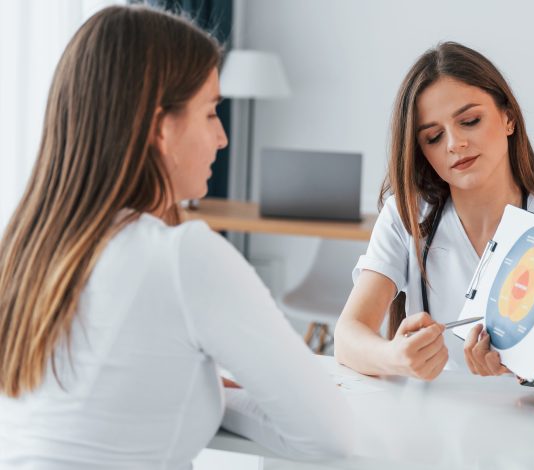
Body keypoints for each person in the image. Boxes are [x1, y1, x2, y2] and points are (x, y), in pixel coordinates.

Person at [0, 6, 352, 468]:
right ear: (162, 129)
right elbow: (331, 437)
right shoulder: (182, 255)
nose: (222, 138)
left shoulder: (27, 248)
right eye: (210, 113)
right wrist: (220, 399)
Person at [334, 42, 534, 386]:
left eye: (469, 121)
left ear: (508, 118)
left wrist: (528, 361)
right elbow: (347, 337)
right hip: (434, 426)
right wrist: (396, 357)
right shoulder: (405, 215)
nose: (454, 143)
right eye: (434, 137)